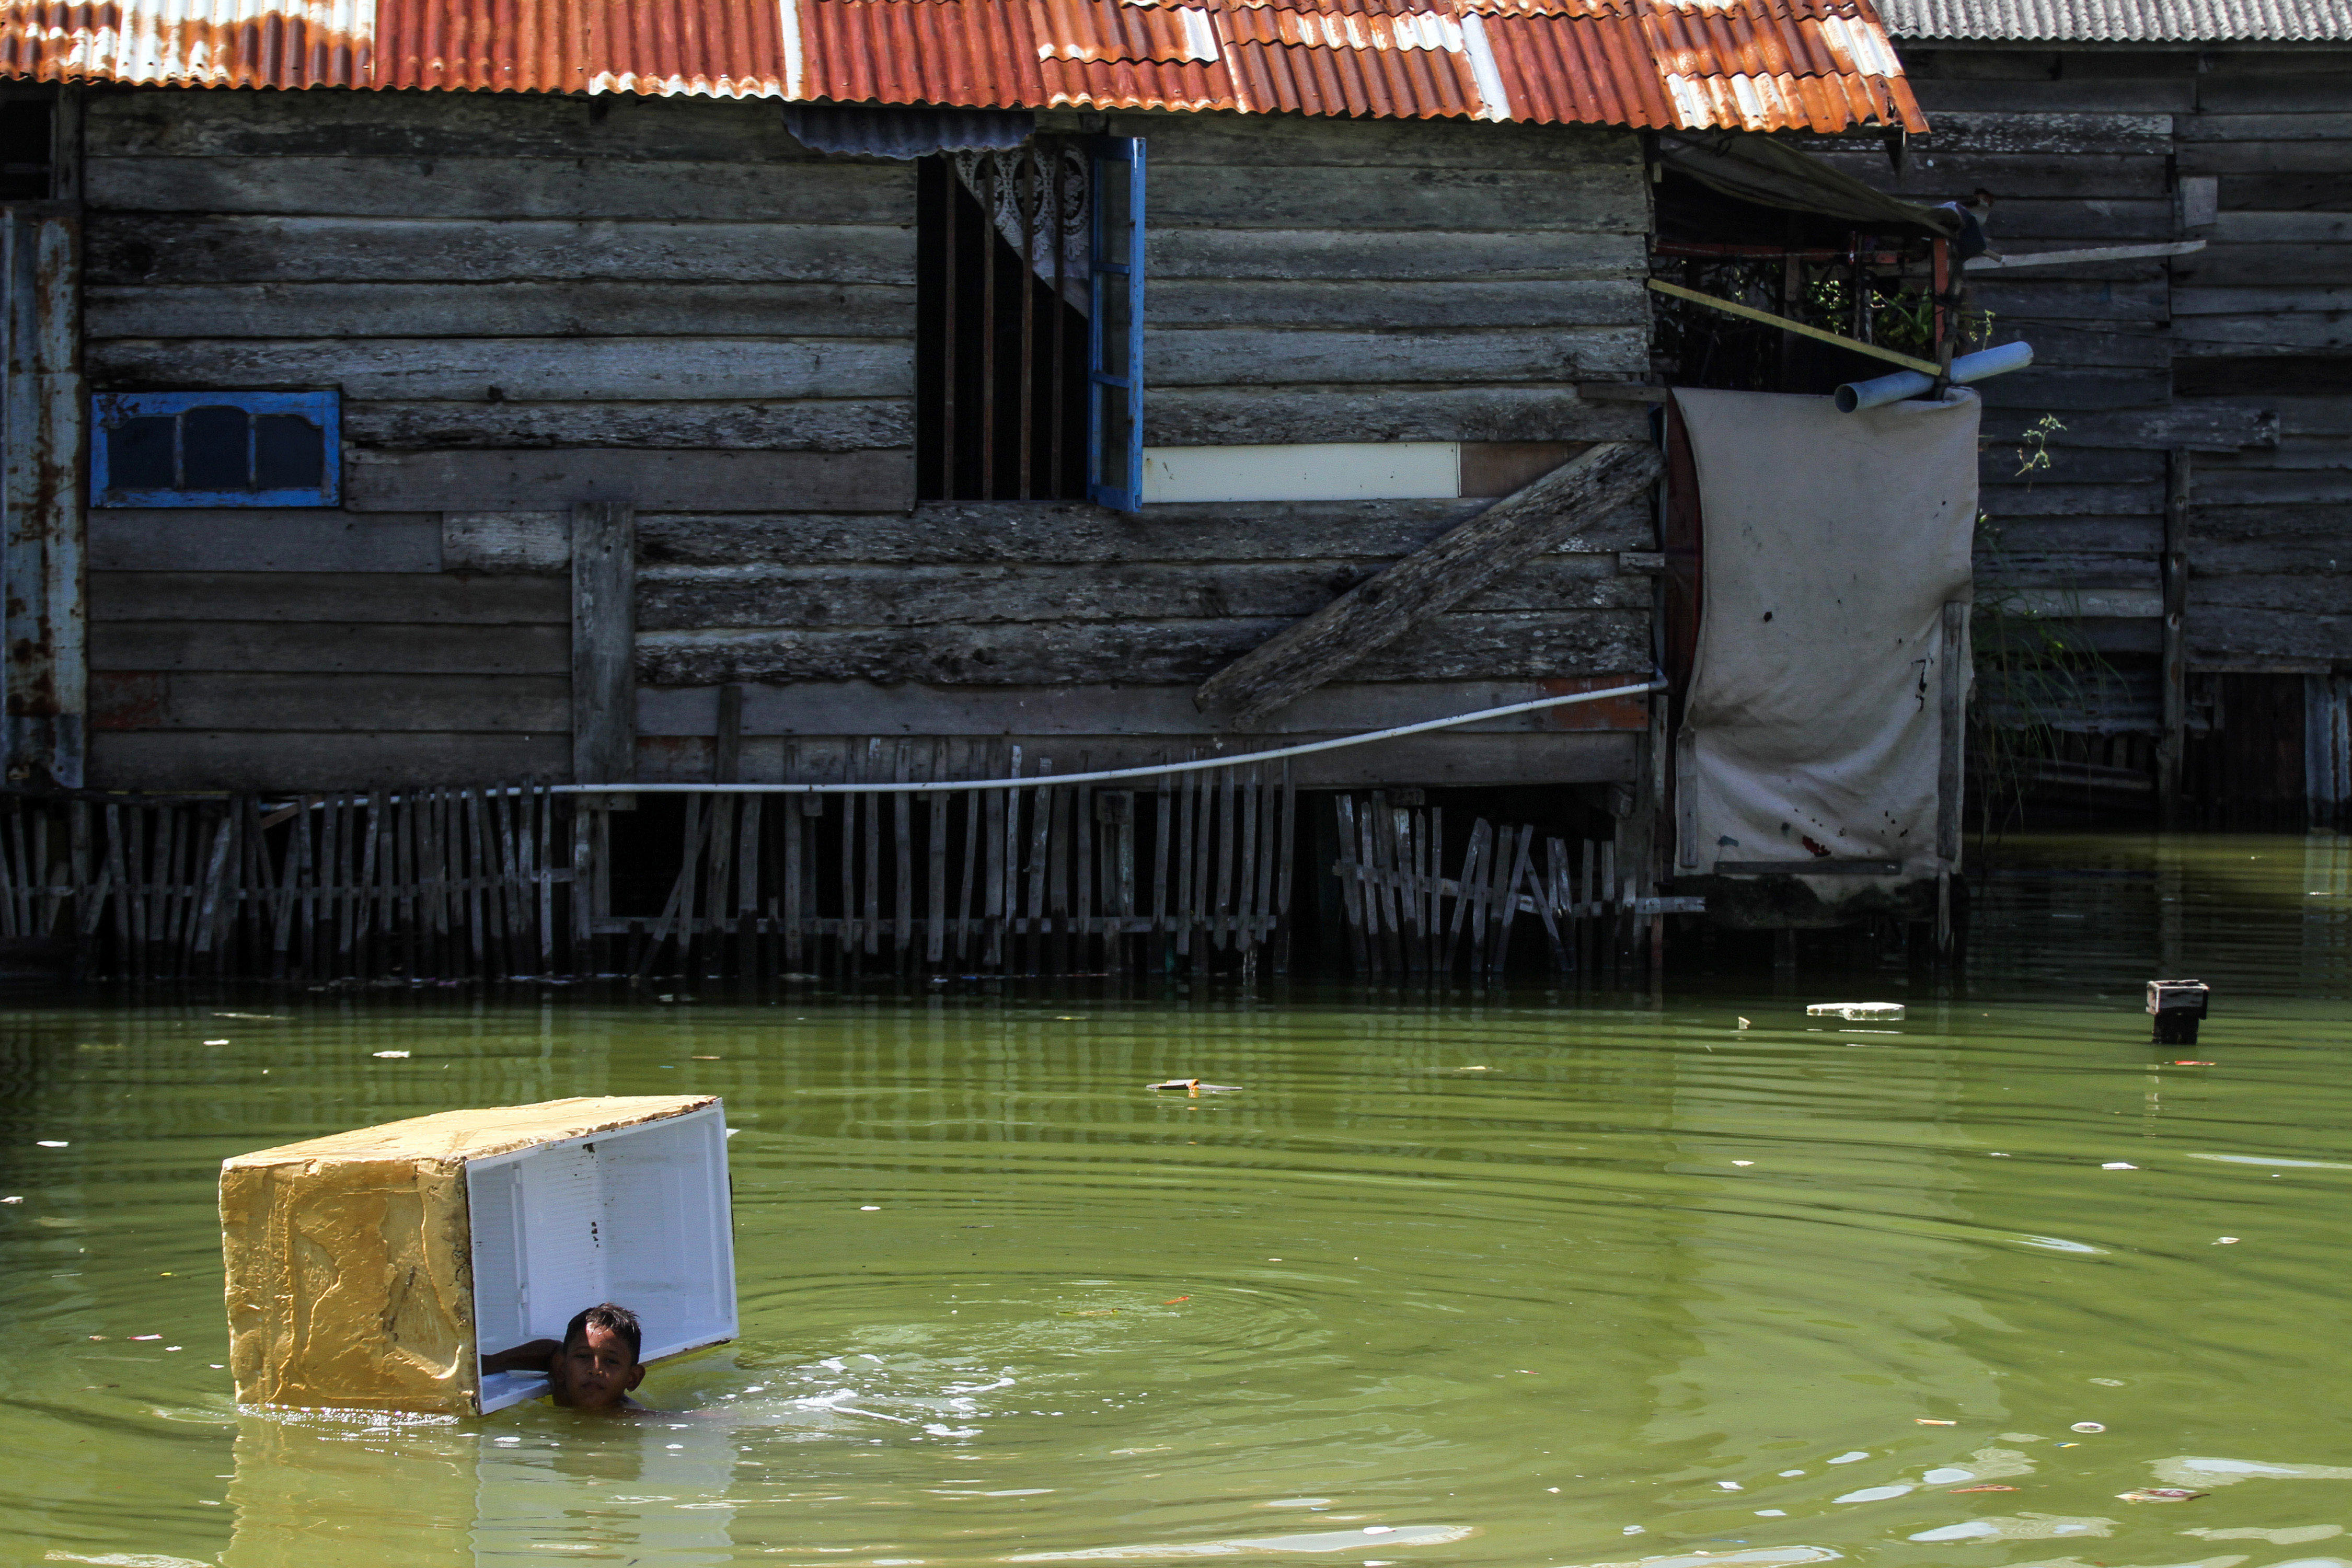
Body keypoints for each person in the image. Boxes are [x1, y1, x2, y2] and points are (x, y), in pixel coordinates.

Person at [483, 1302, 649, 1411]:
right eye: (584, 1356)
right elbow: (552, 1349)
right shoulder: (565, 1384)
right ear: (562, 1367)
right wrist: (494, 1363)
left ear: (632, 1378)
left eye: (611, 1361)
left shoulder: (631, 1419)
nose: (595, 1369)